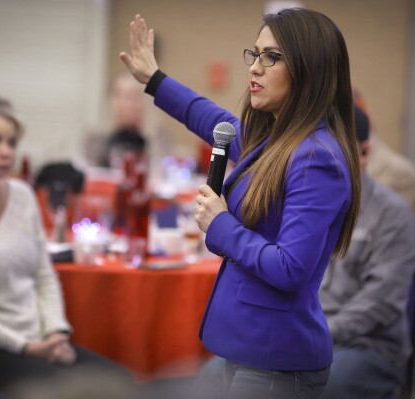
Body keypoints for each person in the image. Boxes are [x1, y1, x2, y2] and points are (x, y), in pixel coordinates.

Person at [120, 8, 361, 398]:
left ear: (310, 69)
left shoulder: (316, 157)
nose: (255, 68)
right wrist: (155, 80)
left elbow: (290, 268)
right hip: (249, 350)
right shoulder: (280, 140)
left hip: (278, 359)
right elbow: (212, 120)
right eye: (256, 54)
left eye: (272, 58)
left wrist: (222, 226)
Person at [0, 96, 127, 391]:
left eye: (12, 143)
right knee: (79, 392)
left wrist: (55, 333)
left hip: (40, 339)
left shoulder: (22, 196)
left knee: (127, 385)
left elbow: (44, 274)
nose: (6, 152)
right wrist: (27, 347)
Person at [319, 106, 415, 398]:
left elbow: (380, 303)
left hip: (367, 346)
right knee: (222, 370)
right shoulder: (307, 203)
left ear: (364, 154)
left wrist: (315, 335)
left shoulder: (392, 215)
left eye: (335, 151)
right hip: (309, 334)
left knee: (319, 385)